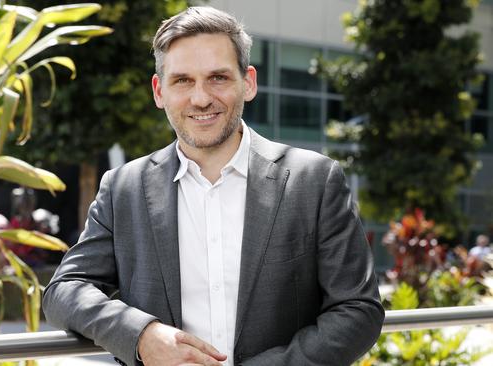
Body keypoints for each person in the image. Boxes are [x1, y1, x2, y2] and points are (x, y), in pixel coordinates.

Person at [43, 6, 384, 366]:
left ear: (248, 82)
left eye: (218, 78)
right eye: (183, 80)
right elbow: (64, 291)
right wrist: (141, 334)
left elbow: (358, 310)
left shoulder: (314, 181)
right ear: (159, 91)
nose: (201, 98)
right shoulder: (123, 188)